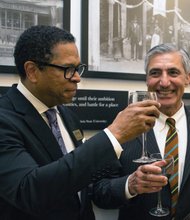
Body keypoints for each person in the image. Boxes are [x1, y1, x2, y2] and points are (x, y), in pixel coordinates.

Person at [0, 25, 161, 220]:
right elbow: (29, 191)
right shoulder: (5, 119)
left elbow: (80, 179)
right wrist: (113, 135)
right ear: (32, 71)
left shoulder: (67, 116)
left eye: (78, 69)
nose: (77, 78)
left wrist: (131, 184)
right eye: (68, 69)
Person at [92, 43, 190, 220]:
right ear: (146, 79)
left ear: (187, 78)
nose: (164, 82)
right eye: (155, 73)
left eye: (173, 72)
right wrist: (130, 185)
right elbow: (99, 192)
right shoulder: (121, 127)